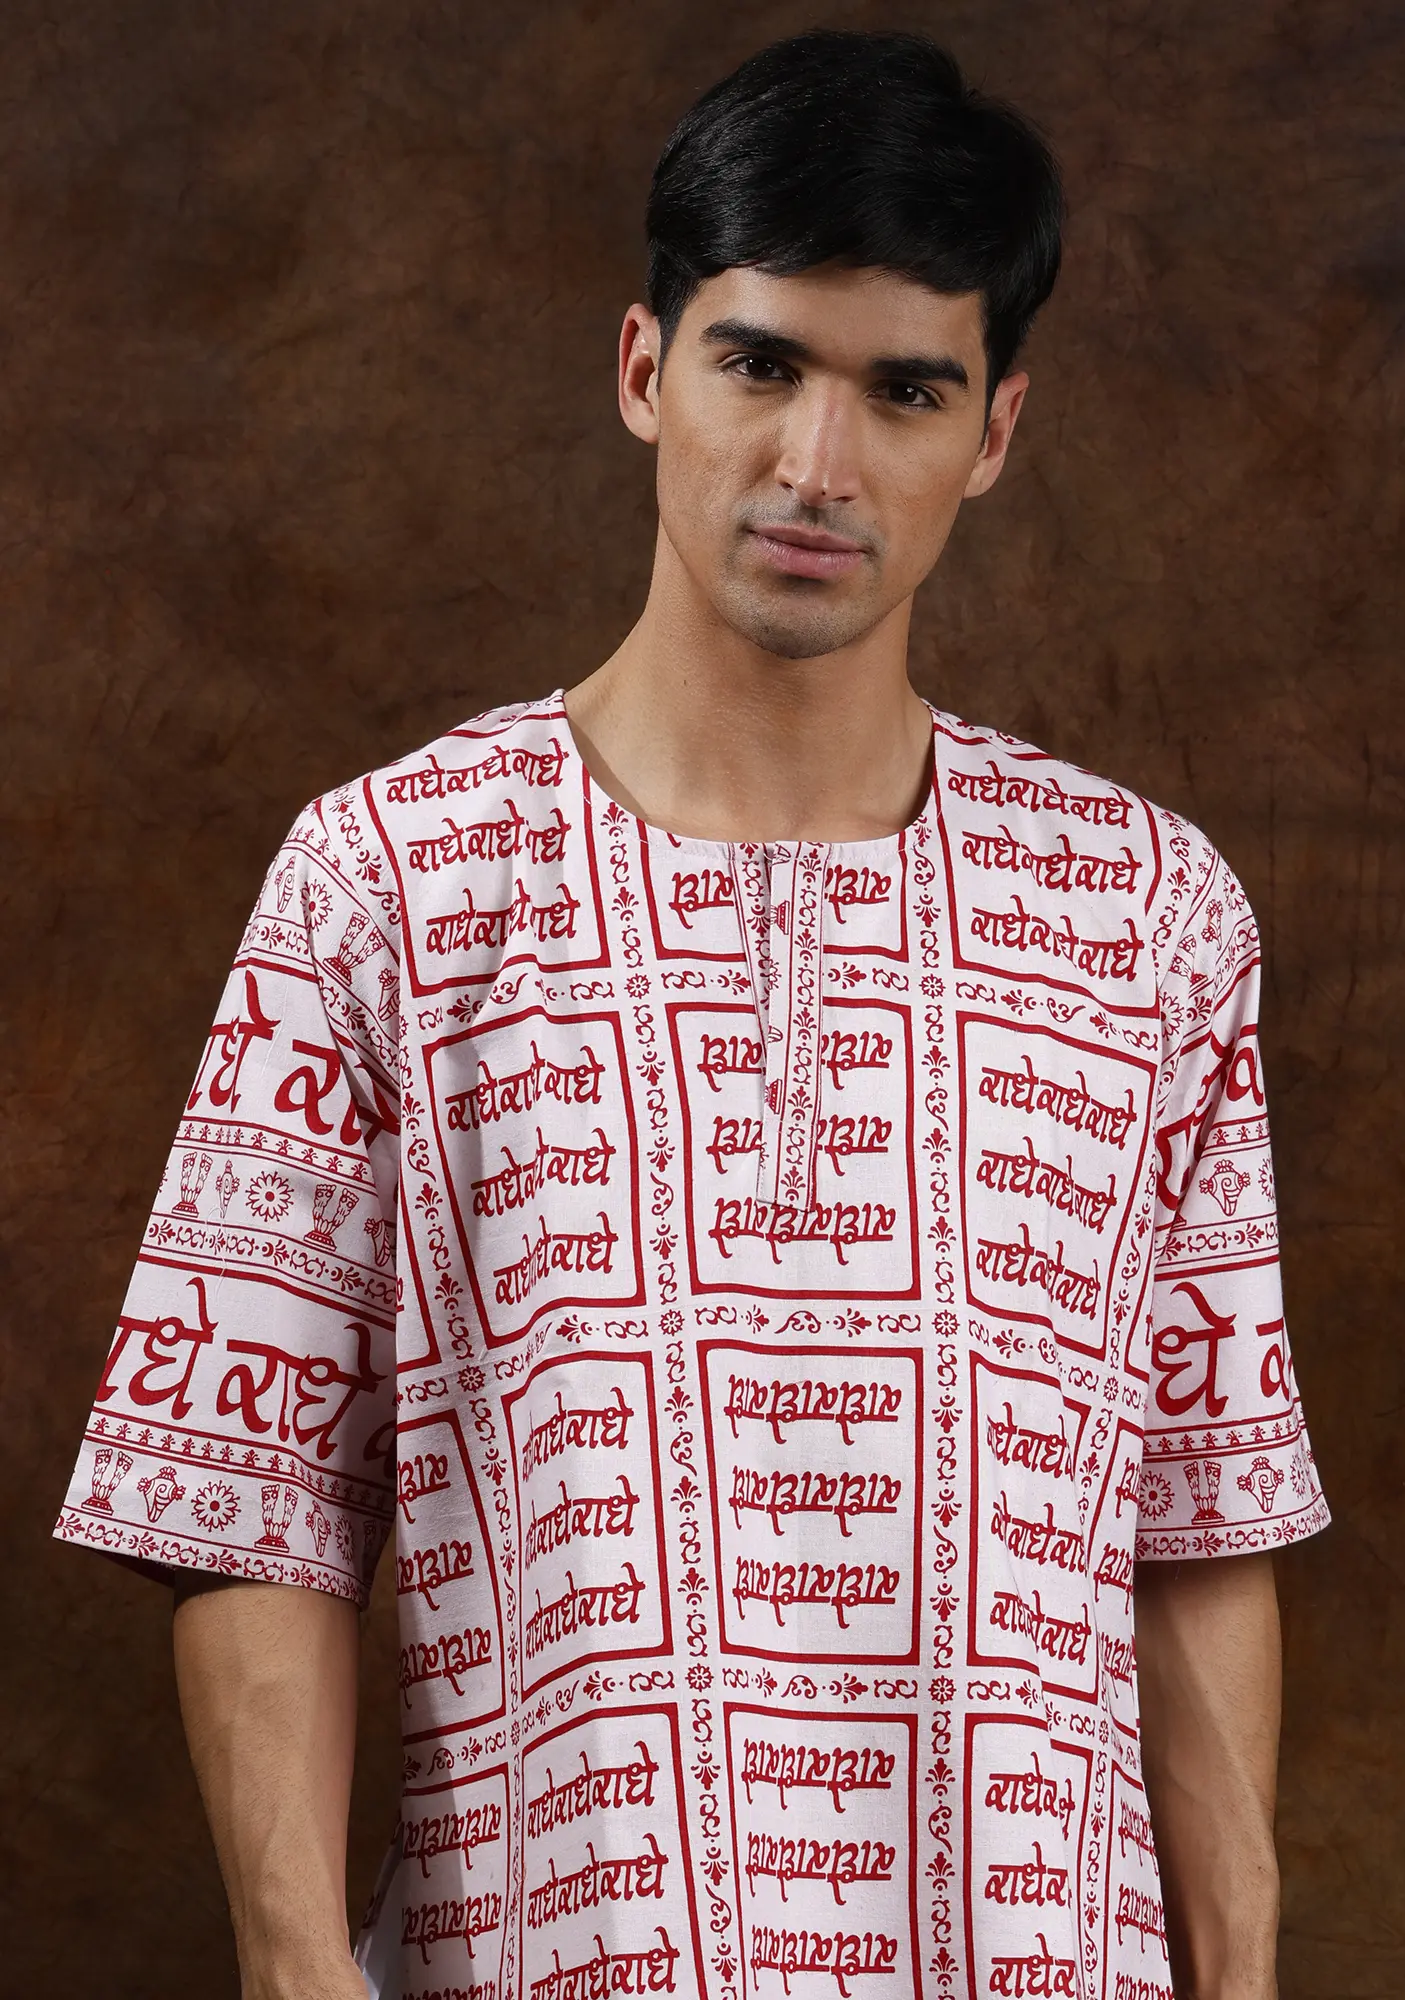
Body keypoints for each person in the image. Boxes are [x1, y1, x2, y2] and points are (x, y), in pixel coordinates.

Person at [56, 28, 1328, 2000]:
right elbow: (250, 1501)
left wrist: (1240, 1971)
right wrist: (296, 1968)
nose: (818, 466)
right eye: (761, 364)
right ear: (646, 369)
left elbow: (1201, 1498)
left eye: (906, 389)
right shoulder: (388, 884)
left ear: (995, 432)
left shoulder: (1148, 916)